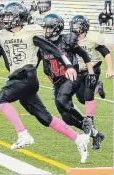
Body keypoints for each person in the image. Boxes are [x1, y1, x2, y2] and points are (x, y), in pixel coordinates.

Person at [0, 2, 90, 163]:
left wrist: (69, 65)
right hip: (17, 78)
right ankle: (79, 139)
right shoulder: (3, 35)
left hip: (27, 76)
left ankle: (23, 134)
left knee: (0, 99)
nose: (5, 19)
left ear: (18, 17)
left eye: (8, 16)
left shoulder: (32, 31)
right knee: (45, 118)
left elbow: (53, 49)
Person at [39, 13, 103, 150]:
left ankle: (86, 120)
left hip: (71, 77)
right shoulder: (43, 44)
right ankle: (96, 134)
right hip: (57, 82)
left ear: (56, 28)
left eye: (49, 28)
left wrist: (91, 72)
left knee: (63, 99)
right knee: (67, 117)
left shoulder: (67, 41)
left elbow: (84, 55)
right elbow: (43, 65)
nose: (46, 31)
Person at [70, 15, 114, 149]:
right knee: (81, 98)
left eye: (78, 25)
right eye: (74, 25)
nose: (75, 28)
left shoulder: (92, 37)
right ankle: (98, 87)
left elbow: (106, 52)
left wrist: (110, 69)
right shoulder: (72, 39)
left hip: (93, 68)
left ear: (84, 26)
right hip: (79, 70)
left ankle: (91, 123)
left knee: (88, 96)